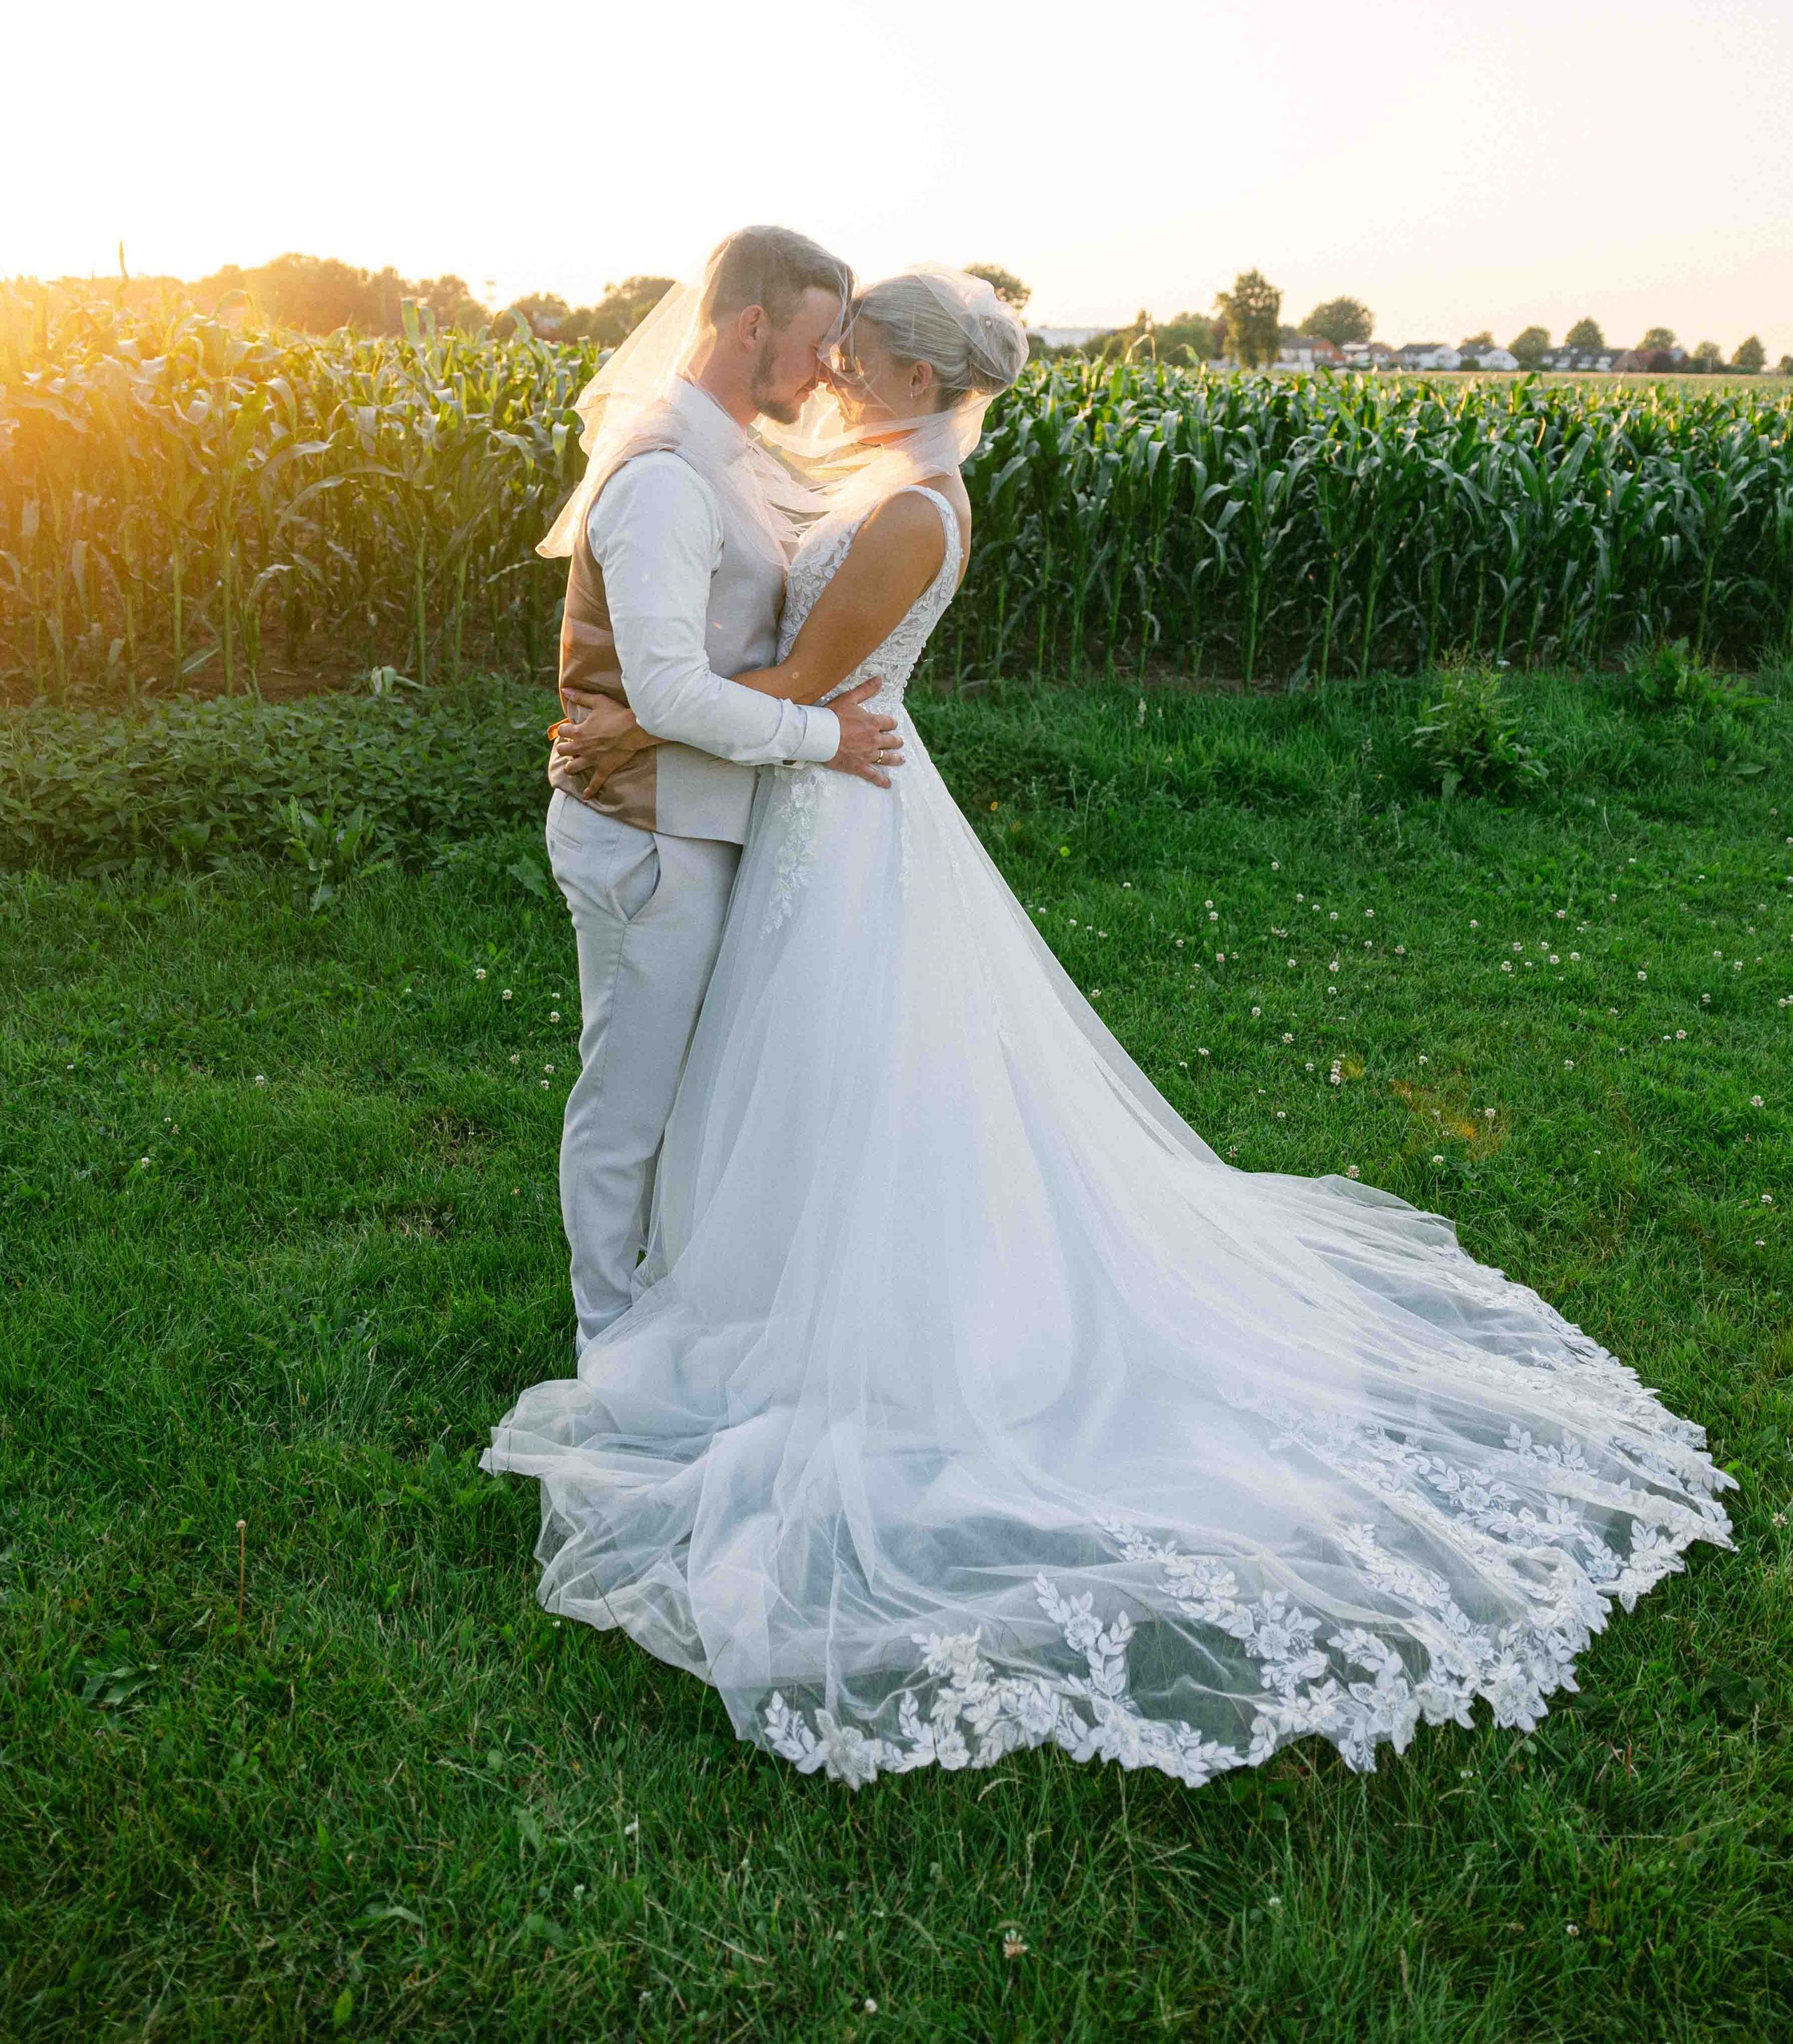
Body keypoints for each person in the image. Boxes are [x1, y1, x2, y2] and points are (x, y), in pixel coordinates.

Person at [486, 268, 1732, 1791]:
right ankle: (761, 1271)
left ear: (906, 366)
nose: (827, 358)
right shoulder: (886, 470)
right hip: (821, 806)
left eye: (851, 343)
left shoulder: (908, 511)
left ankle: (860, 1316)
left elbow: (806, 687)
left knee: (852, 1070)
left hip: (838, 806)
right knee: (812, 1074)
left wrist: (630, 712)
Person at [539, 224, 902, 1360]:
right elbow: (666, 692)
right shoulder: (659, 481)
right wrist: (818, 735)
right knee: (629, 1100)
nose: (831, 368)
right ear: (753, 325)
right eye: (819, 341)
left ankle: (661, 1300)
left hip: (700, 821)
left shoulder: (730, 452)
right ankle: (607, 1336)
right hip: (647, 831)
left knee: (688, 1094)